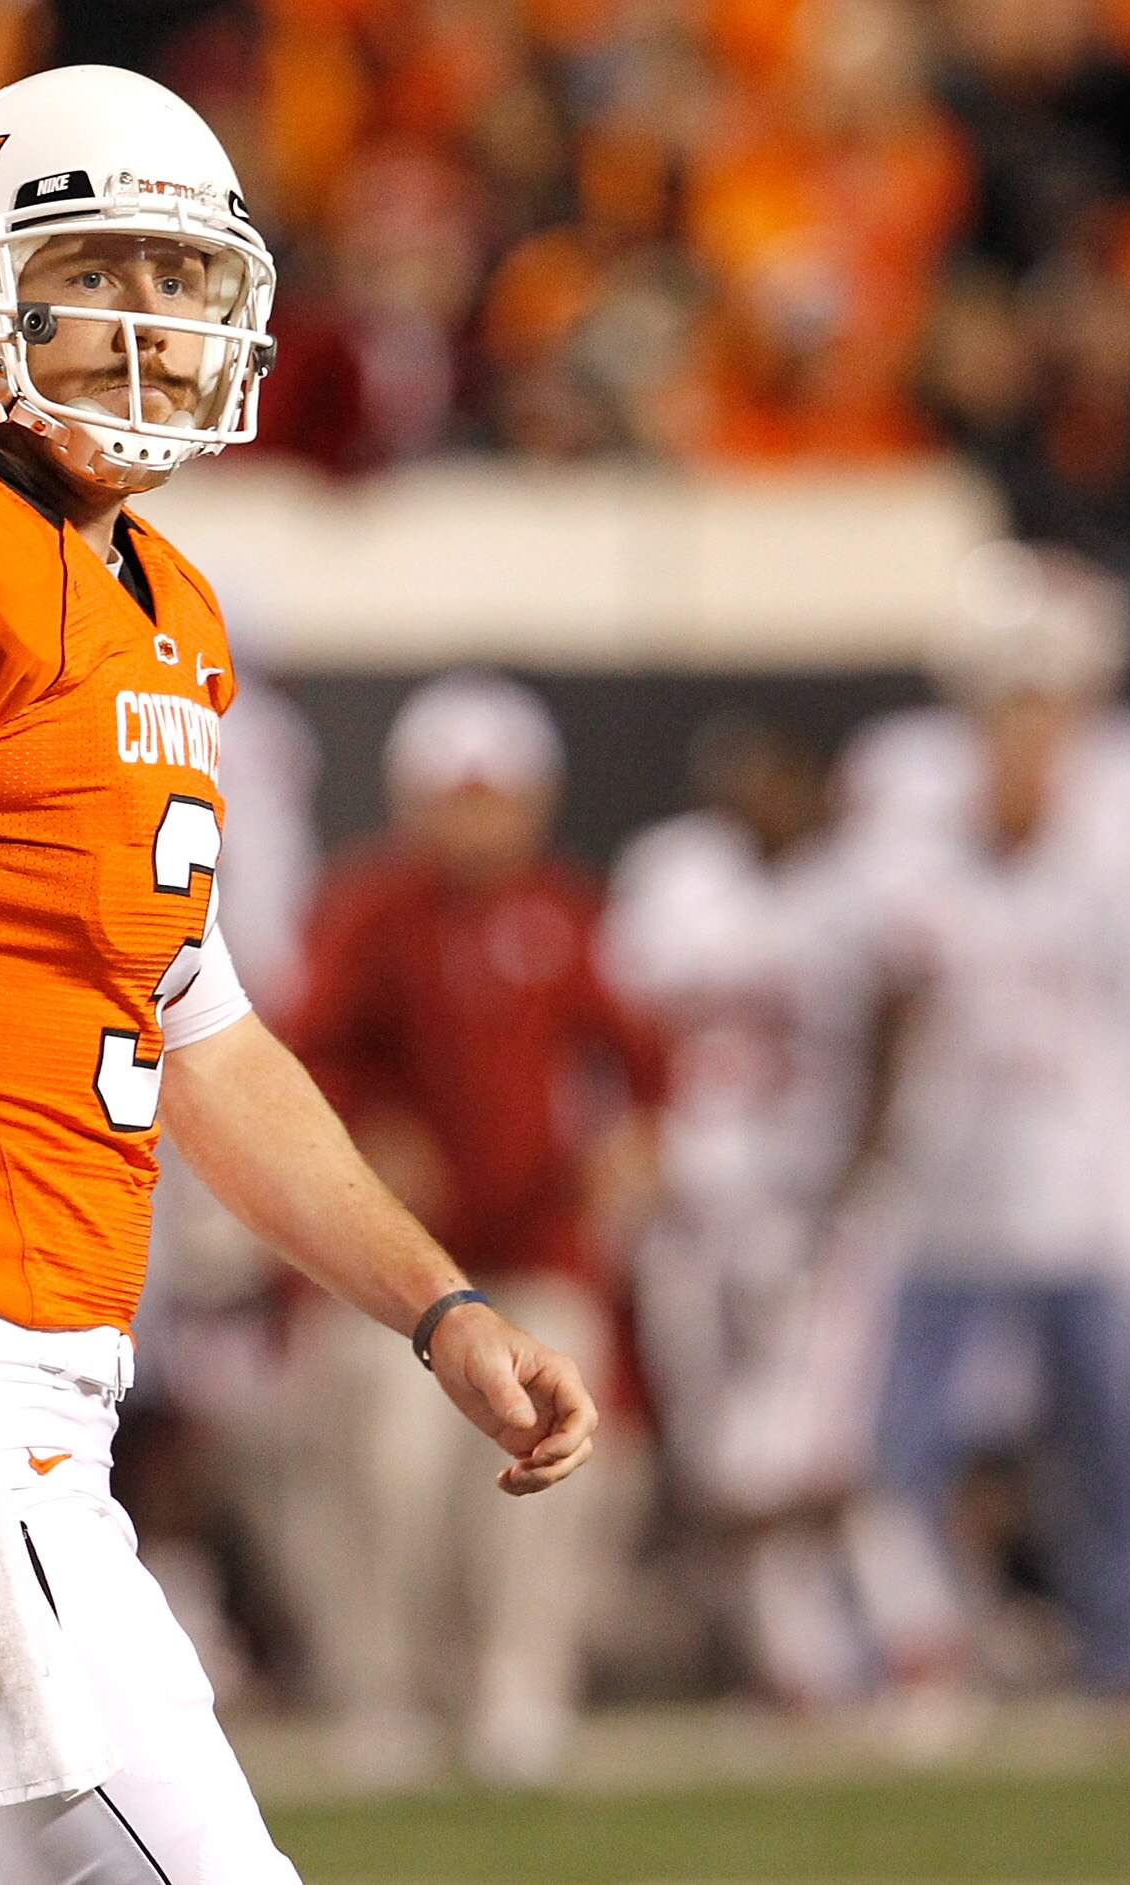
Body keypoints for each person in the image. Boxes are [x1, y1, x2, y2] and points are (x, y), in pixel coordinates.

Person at [0, 66, 599, 1885]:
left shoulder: (165, 607)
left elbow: (209, 1034)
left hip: (26, 1387)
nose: (154, 322)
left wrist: (438, 1310)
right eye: (99, 269)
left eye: (185, 279)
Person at [841, 547, 1130, 1703]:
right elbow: (887, 996)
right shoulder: (915, 822)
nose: (1026, 736)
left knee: (1113, 1437)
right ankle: (897, 1645)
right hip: (950, 1183)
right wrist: (873, 1147)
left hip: (1090, 1184)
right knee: (904, 1436)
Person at [279, 672, 662, 1786]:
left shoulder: (568, 914)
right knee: (390, 1464)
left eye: (493, 799)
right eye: (456, 798)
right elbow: (302, 1063)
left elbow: (645, 1064)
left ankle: (519, 1682)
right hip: (399, 1273)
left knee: (554, 1450)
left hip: (535, 1251)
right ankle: (384, 1686)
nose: (474, 823)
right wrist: (370, 1137)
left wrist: (630, 1147)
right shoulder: (369, 915)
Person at [602, 718, 902, 1709]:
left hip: (810, 1203)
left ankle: (899, 1636)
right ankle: (801, 1659)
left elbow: (903, 1011)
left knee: (810, 1454)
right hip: (691, 1204)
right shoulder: (676, 876)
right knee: (720, 1461)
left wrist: (867, 1151)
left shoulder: (858, 890)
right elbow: (619, 1029)